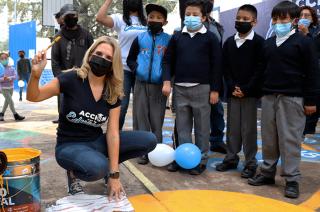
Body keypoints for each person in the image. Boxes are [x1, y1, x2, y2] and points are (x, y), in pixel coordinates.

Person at [27, 36, 157, 197]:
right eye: (99, 54)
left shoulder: (113, 90)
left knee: (149, 140)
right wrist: (35, 75)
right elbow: (34, 97)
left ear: (113, 64)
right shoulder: (71, 78)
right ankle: (73, 174)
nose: (102, 59)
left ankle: (105, 168)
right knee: (98, 168)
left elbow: (113, 133)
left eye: (108, 58)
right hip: (69, 146)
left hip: (96, 143)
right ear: (90, 55)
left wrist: (114, 174)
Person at [248, 1, 320, 199]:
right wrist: (257, 90)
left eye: (284, 19)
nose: (279, 22)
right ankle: (267, 173)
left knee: (290, 140)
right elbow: (261, 69)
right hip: (269, 97)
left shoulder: (304, 43)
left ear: (294, 21)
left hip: (293, 99)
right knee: (269, 139)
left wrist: (311, 101)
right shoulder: (269, 43)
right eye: (276, 18)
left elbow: (313, 73)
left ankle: (292, 179)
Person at [162, 0, 222, 175]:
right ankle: (182, 159)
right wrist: (167, 81)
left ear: (204, 17)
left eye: (195, 14)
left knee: (203, 127)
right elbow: (167, 61)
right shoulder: (177, 37)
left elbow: (217, 64)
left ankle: (201, 159)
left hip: (202, 88)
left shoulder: (211, 37)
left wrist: (215, 90)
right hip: (180, 89)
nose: (191, 17)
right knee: (182, 127)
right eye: (188, 14)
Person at [215, 5, 264, 179]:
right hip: (233, 94)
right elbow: (225, 68)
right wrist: (232, 86)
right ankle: (231, 158)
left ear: (254, 22)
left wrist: (246, 88)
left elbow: (260, 69)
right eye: (238, 18)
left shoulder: (259, 43)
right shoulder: (229, 42)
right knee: (233, 128)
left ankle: (251, 162)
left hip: (250, 94)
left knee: (249, 129)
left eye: (245, 19)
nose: (240, 22)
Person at [126, 4, 170, 165]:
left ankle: (156, 150)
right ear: (147, 20)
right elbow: (130, 58)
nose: (154, 20)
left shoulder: (169, 40)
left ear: (165, 22)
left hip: (159, 86)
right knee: (140, 117)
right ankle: (142, 151)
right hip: (140, 83)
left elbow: (171, 62)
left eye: (159, 18)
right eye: (151, 17)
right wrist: (136, 69)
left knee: (157, 119)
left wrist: (167, 80)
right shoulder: (139, 38)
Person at [97, 0, 147, 130]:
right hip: (123, 69)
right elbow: (100, 18)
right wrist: (108, 1)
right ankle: (114, 135)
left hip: (142, 69)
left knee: (141, 108)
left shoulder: (146, 20)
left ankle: (139, 139)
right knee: (121, 106)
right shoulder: (120, 19)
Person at [51, 4, 94, 124]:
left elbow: (92, 56)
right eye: (68, 15)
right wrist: (60, 78)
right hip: (65, 76)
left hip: (84, 76)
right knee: (64, 104)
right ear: (63, 18)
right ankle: (63, 118)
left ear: (77, 16)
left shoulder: (86, 35)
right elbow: (55, 60)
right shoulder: (58, 37)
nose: (71, 17)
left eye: (73, 15)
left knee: (83, 106)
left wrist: (90, 75)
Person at [203, 0, 227, 154]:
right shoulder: (189, 23)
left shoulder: (217, 26)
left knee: (216, 110)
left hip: (214, 74)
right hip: (195, 76)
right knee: (192, 112)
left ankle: (217, 140)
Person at [298, 6, 320, 136]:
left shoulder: (317, 34)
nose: (303, 18)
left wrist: (307, 33)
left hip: (312, 78)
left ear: (313, 19)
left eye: (307, 16)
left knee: (310, 114)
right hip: (296, 78)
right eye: (301, 15)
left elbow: (314, 52)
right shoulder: (291, 32)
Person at [0, 52, 25, 121]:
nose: (4, 60)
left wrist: (9, 78)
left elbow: (16, 76)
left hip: (11, 87)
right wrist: (3, 79)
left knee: (7, 101)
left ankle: (1, 114)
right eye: (2, 59)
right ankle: (15, 115)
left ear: (8, 59)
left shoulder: (12, 68)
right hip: (3, 88)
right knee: (11, 101)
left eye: (5, 58)